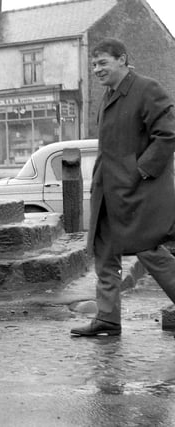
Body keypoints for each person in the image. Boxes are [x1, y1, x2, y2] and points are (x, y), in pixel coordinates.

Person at [71, 38, 175, 337]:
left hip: (137, 192)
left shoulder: (147, 89)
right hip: (108, 191)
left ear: (122, 60)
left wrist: (140, 171)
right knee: (104, 253)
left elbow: (167, 135)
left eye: (102, 62)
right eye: (93, 64)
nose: (96, 69)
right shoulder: (107, 96)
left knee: (149, 251)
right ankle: (107, 317)